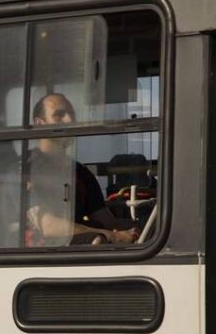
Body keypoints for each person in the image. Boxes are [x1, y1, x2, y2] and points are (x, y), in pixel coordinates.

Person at [26, 93, 138, 246]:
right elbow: (49, 226)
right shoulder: (26, 169)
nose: (69, 120)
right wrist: (110, 235)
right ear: (39, 123)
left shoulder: (80, 173)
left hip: (76, 244)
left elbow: (105, 220)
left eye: (71, 114)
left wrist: (135, 232)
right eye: (59, 115)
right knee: (96, 240)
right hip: (39, 254)